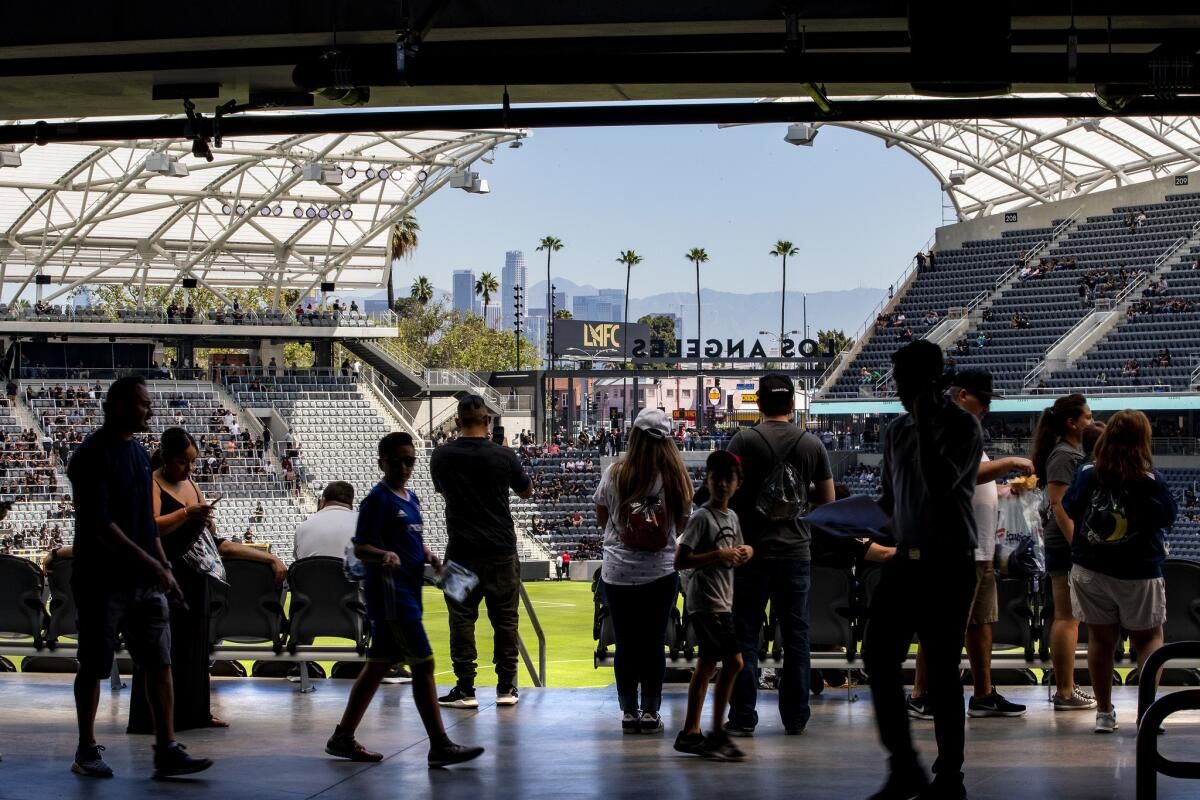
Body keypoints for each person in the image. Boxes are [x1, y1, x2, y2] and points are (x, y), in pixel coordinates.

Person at [66, 377, 212, 779]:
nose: (149, 410)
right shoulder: (90, 456)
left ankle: (165, 747)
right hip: (101, 579)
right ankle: (85, 747)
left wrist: (162, 566)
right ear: (118, 406)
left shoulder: (137, 455)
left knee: (160, 662)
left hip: (144, 581)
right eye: (143, 404)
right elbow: (102, 526)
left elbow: (144, 526)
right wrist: (152, 564)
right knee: (94, 665)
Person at [864, 340, 981, 800]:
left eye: (902, 381)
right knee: (877, 657)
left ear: (929, 381)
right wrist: (850, 524)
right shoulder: (895, 431)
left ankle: (950, 774)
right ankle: (904, 766)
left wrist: (928, 420)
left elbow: (938, 483)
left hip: (949, 564)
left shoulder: (962, 426)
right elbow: (891, 503)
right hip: (905, 560)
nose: (896, 389)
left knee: (943, 670)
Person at [326, 432, 484, 767]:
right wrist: (384, 554)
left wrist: (427, 554)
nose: (403, 466)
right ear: (381, 461)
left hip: (408, 593)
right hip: (392, 599)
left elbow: (409, 539)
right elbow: (360, 547)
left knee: (375, 668)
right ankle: (439, 744)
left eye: (409, 460)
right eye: (396, 460)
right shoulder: (376, 500)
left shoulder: (411, 499)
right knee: (424, 664)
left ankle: (342, 736)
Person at [128, 427, 286, 734]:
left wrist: (269, 557)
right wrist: (187, 514)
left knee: (195, 648)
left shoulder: (192, 485)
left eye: (191, 463)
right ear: (166, 457)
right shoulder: (153, 483)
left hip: (194, 577)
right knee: (163, 650)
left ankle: (197, 711)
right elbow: (150, 527)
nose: (188, 469)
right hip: (164, 574)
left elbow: (215, 540)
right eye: (182, 462)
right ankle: (159, 718)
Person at [907, 370, 1033, 721]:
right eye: (984, 400)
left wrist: (1006, 489)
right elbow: (956, 475)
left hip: (980, 545)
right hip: (951, 546)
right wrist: (1008, 463)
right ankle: (921, 693)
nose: (987, 409)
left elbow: (975, 484)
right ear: (962, 395)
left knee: (981, 623)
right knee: (942, 625)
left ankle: (982, 693)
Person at [724, 373, 833, 737]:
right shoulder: (812, 444)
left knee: (745, 635)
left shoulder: (742, 440)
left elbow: (725, 495)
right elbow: (828, 502)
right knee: (796, 636)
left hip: (750, 553)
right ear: (791, 405)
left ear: (759, 402)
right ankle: (796, 716)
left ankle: (742, 716)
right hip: (796, 551)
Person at [1063, 411, 1174, 734]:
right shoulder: (1149, 479)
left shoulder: (1086, 472)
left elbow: (1070, 507)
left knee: (1100, 638)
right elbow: (1166, 517)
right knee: (1150, 638)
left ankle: (1104, 713)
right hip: (1139, 571)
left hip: (1091, 568)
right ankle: (1146, 714)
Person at [429, 395, 533, 709]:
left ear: (458, 422)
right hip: (501, 551)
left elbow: (441, 489)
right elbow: (526, 491)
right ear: (487, 422)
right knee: (505, 621)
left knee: (460, 620)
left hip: (459, 552)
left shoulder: (442, 456)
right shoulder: (504, 455)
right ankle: (506, 687)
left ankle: (465, 688)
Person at [593, 408, 693, 733]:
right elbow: (683, 526)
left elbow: (602, 518)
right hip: (661, 572)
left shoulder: (614, 473)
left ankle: (628, 711)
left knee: (626, 643)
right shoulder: (676, 478)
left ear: (633, 435)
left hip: (618, 572)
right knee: (653, 643)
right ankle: (650, 711)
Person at [674, 450, 753, 762]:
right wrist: (717, 556)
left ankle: (692, 732)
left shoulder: (731, 518)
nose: (721, 484)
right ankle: (716, 733)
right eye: (715, 478)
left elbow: (738, 549)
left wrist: (747, 551)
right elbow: (680, 560)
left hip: (722, 601)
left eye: (727, 479)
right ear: (707, 480)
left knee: (707, 666)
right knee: (734, 663)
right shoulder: (701, 518)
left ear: (738, 483)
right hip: (705, 603)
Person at [1030, 393, 1096, 710]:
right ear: (1072, 422)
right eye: (1087, 417)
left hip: (1068, 543)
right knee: (1067, 617)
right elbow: (1059, 506)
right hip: (1065, 544)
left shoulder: (1072, 452)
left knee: (1071, 618)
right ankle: (1065, 691)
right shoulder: (1063, 455)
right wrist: (1078, 546)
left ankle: (1067, 689)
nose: (1091, 422)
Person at [293, 481, 358, 559]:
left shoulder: (302, 528)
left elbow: (299, 562)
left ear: (323, 501)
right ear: (351, 503)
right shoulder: (366, 524)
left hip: (313, 571)